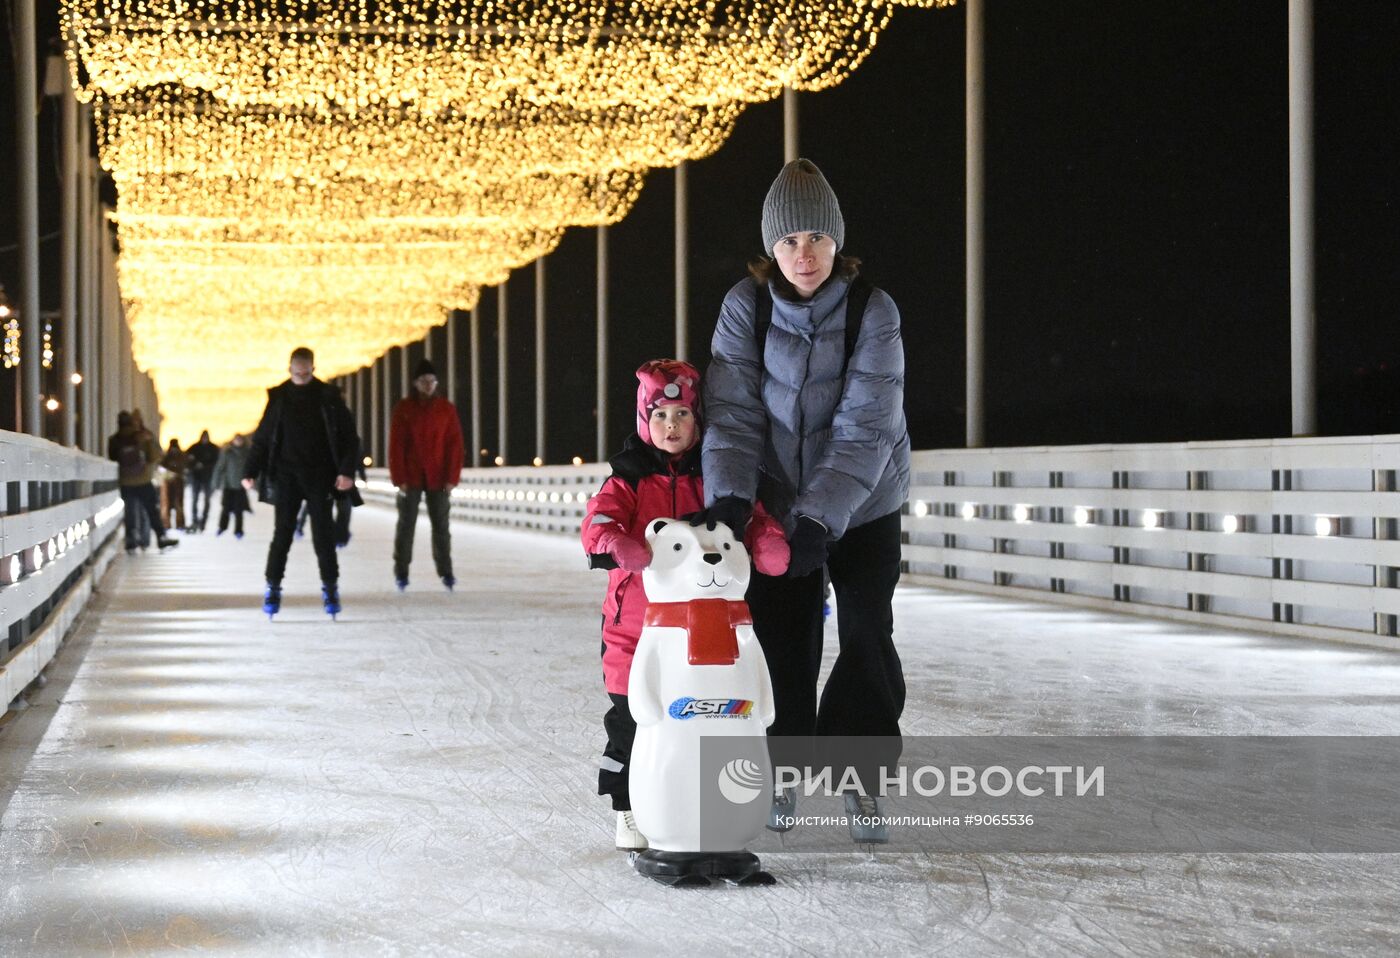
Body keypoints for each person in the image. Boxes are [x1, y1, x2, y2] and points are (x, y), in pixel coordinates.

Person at [693, 158, 911, 843]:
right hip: (777, 507)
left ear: (836, 240)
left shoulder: (873, 310)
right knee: (784, 641)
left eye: (816, 237)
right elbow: (730, 415)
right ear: (771, 248)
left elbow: (866, 425)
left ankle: (860, 777)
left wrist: (823, 514)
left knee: (866, 634)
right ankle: (784, 771)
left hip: (866, 499)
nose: (804, 254)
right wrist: (730, 498)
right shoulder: (744, 307)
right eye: (789, 241)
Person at [582, 359, 789, 851]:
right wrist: (615, 543)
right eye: (659, 416)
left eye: (681, 415)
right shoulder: (628, 480)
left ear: (699, 422)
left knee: (710, 718)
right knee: (633, 720)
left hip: (710, 628)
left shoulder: (716, 474)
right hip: (636, 627)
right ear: (643, 421)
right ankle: (627, 807)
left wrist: (766, 538)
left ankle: (710, 803)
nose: (670, 426)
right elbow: (598, 522)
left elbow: (747, 514)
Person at [242, 347, 360, 618]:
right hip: (286, 476)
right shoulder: (279, 397)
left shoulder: (328, 396)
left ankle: (330, 587)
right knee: (282, 533)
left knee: (323, 534)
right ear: (290, 369)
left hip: (321, 474)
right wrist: (250, 470)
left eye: (306, 371)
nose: (302, 375)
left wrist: (345, 471)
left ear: (313, 369)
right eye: (298, 371)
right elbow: (263, 437)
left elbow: (349, 438)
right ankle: (273, 586)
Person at [388, 358, 464, 590]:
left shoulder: (446, 409)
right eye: (423, 381)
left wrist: (453, 477)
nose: (428, 385)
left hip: (438, 477)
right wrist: (398, 477)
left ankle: (446, 571)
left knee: (441, 526)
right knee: (406, 525)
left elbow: (455, 444)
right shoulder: (404, 408)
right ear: (415, 383)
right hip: (410, 477)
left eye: (432, 381)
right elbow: (396, 444)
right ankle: (401, 571)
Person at [107, 410, 179, 554]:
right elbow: (154, 457)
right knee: (152, 510)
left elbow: (113, 458)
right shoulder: (141, 437)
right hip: (143, 480)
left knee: (130, 512)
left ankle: (131, 543)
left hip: (126, 481)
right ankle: (161, 537)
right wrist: (149, 441)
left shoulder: (114, 439)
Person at [211, 433, 252, 537]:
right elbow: (220, 467)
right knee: (226, 508)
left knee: (239, 510)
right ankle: (222, 527)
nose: (238, 441)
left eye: (240, 439)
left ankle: (238, 531)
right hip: (228, 484)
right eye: (236, 439)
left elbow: (251, 468)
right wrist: (216, 482)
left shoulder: (247, 453)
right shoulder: (227, 453)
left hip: (241, 485)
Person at [186, 429, 220, 531]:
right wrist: (194, 465)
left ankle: (203, 521)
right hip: (196, 477)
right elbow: (187, 459)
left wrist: (204, 466)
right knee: (195, 499)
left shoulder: (213, 448)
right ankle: (195, 521)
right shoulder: (194, 448)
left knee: (206, 501)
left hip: (208, 478)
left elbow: (216, 463)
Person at [160, 438, 188, 532]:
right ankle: (176, 524)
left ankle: (169, 524)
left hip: (172, 482)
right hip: (174, 482)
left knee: (171, 504)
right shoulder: (180, 455)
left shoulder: (168, 455)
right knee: (175, 503)